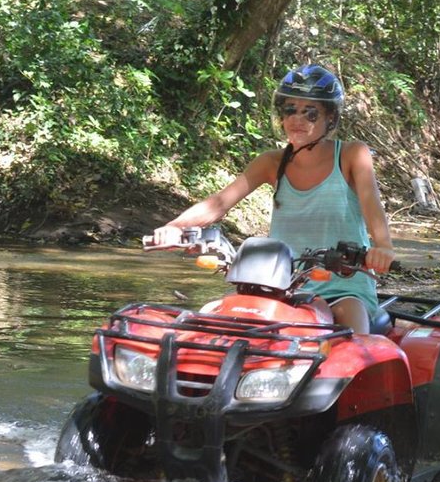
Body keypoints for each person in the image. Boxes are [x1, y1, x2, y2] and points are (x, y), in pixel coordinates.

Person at [150, 64, 396, 332]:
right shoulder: (271, 162)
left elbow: (372, 208)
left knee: (353, 333)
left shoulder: (352, 155)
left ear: (330, 118)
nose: (297, 119)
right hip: (280, 285)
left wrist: (382, 248)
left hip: (343, 285)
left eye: (310, 112)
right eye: (290, 110)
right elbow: (219, 203)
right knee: (217, 322)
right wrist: (175, 228)